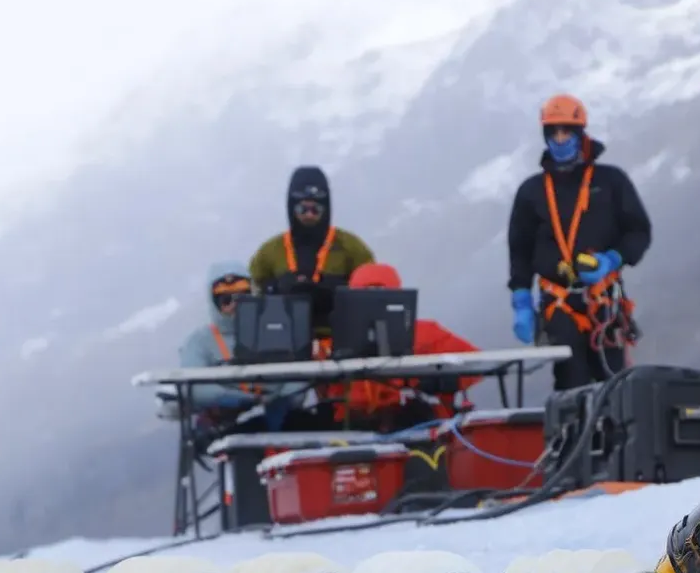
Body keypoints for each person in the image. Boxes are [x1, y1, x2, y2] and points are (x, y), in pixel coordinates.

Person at [506, 93, 652, 390]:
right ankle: (572, 436)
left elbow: (639, 231)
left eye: (566, 132)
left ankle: (613, 437)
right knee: (571, 383)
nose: (560, 140)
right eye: (554, 133)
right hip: (558, 303)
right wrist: (521, 298)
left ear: (580, 134)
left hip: (604, 301)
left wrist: (613, 258)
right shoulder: (532, 192)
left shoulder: (610, 181)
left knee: (614, 386)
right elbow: (519, 248)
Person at [329, 263, 482, 431]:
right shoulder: (335, 343)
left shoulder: (427, 333)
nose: (374, 300)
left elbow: (476, 363)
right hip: (353, 429)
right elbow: (323, 388)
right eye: (366, 293)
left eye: (381, 292)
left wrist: (443, 379)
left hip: (420, 426)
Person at [176, 260, 304, 434]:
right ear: (214, 303)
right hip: (227, 419)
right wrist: (236, 399)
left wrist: (278, 398)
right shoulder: (199, 341)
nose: (235, 305)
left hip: (277, 414)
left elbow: (299, 373)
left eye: (243, 297)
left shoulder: (276, 330)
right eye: (226, 299)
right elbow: (193, 386)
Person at [248, 165, 376, 337]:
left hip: (341, 341)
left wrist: (337, 290)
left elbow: (374, 291)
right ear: (291, 208)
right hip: (284, 341)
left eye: (316, 209)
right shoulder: (269, 251)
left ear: (327, 209)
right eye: (302, 209)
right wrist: (276, 289)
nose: (309, 215)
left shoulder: (351, 247)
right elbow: (250, 295)